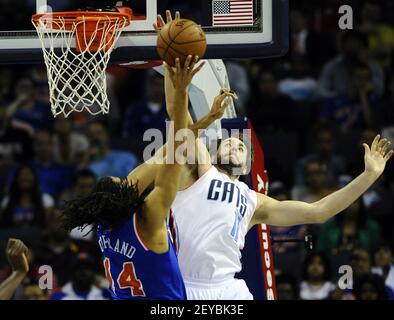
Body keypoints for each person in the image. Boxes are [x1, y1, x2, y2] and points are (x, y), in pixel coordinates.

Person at [143, 11, 394, 301]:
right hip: (184, 284)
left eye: (241, 147)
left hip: (229, 288)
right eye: (230, 143)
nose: (236, 146)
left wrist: (369, 176)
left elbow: (319, 212)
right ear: (214, 150)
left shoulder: (254, 201)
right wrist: (169, 61)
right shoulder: (201, 169)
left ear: (248, 165)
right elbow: (179, 117)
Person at [61, 55, 205, 300]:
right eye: (124, 183)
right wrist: (181, 91)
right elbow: (177, 150)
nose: (128, 180)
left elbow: (170, 150)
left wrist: (202, 123)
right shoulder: (150, 219)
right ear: (126, 198)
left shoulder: (105, 223)